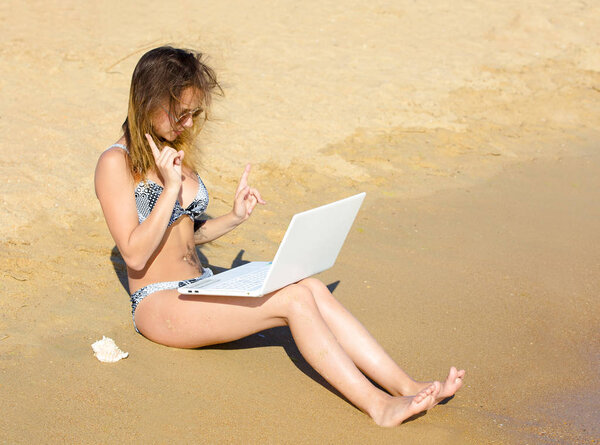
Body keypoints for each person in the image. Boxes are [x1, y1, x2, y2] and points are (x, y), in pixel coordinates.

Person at [94, 46, 465, 427]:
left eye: (194, 113)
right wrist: (171, 189)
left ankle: (405, 385)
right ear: (148, 101)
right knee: (291, 300)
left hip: (199, 287)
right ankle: (378, 406)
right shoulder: (115, 163)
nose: (188, 124)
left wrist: (233, 218)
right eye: (181, 113)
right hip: (158, 304)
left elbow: (184, 236)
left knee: (306, 284)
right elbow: (136, 255)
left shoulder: (171, 152)